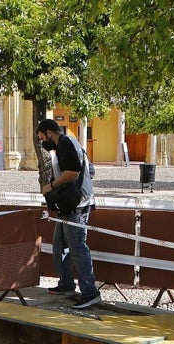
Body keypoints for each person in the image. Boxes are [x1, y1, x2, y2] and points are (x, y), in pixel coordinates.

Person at [37, 118, 99, 309]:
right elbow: (91, 171)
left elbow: (72, 172)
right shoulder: (68, 144)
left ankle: (90, 292)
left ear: (49, 133)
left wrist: (52, 186)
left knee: (77, 248)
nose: (42, 142)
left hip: (77, 206)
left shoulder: (65, 143)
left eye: (42, 138)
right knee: (60, 246)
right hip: (69, 206)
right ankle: (66, 284)